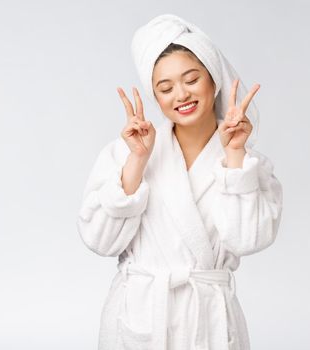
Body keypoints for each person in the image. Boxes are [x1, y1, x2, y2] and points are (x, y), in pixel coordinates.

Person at [76, 14, 283, 350]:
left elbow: (249, 239)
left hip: (210, 324)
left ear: (212, 80)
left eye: (191, 79)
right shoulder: (125, 153)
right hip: (141, 319)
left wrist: (234, 157)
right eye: (166, 87)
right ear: (155, 97)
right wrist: (137, 161)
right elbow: (100, 241)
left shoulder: (247, 164)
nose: (181, 94)